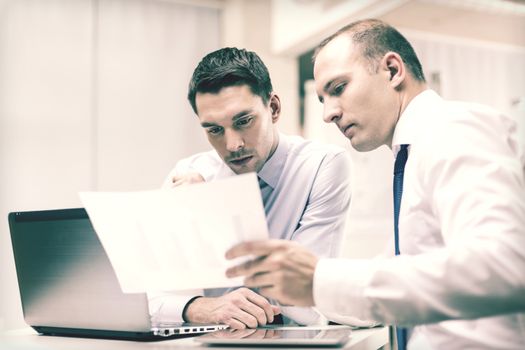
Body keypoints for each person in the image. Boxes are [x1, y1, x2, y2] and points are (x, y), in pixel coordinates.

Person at [225, 19, 525, 349]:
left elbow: (504, 265)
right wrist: (301, 284)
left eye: (338, 89)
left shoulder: (454, 129)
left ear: (393, 70)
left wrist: (320, 279)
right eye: (323, 98)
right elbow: (398, 273)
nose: (328, 114)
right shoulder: (413, 153)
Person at [148, 47, 352, 330]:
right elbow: (152, 297)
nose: (232, 145)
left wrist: (215, 214)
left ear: (274, 108)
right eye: (214, 130)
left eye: (243, 122)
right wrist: (200, 307)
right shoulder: (188, 174)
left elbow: (307, 301)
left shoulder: (322, 165)